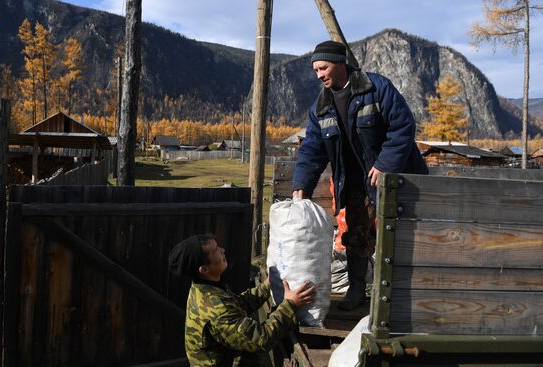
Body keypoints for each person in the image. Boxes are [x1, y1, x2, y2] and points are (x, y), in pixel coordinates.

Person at [292, 40, 428, 310]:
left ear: (340, 64)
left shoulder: (376, 88)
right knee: (355, 236)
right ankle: (356, 290)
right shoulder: (321, 106)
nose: (319, 75)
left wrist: (385, 163)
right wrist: (301, 185)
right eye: (316, 70)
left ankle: (397, 296)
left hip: (394, 179)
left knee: (399, 235)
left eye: (323, 67)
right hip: (355, 183)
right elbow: (312, 149)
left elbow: (402, 127)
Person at [168, 233, 316, 366]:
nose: (222, 250)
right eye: (215, 251)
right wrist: (290, 304)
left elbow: (238, 304)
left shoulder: (204, 287)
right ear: (204, 269)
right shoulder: (215, 307)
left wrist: (266, 286)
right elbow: (262, 339)